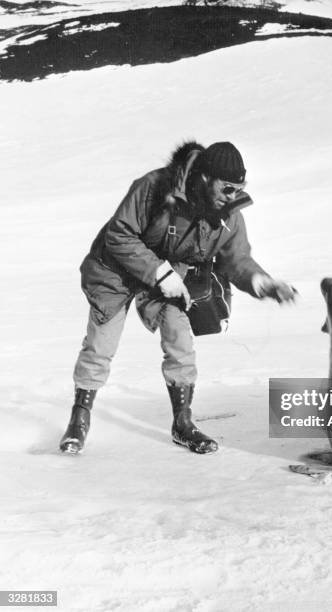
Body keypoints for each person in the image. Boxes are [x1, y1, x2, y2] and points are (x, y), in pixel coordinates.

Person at [59, 141, 296, 455]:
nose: (233, 195)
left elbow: (236, 258)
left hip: (170, 275)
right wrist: (159, 273)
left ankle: (182, 422)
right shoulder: (154, 188)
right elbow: (119, 234)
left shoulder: (229, 214)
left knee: (180, 341)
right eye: (227, 187)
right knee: (101, 345)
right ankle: (79, 418)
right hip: (115, 268)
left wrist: (262, 282)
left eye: (239, 188)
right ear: (204, 178)